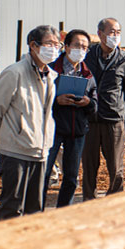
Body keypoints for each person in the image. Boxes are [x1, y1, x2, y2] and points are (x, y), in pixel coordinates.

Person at [0, 25, 59, 219]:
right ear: (33, 46)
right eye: (49, 43)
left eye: (56, 44)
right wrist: (3, 138)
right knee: (12, 207)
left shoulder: (50, 76)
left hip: (41, 151)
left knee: (35, 209)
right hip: (16, 151)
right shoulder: (15, 73)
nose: (53, 48)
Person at [43, 29, 97, 207]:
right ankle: (36, 211)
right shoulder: (51, 70)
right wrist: (56, 101)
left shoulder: (87, 74)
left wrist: (87, 102)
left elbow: (95, 104)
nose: (81, 50)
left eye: (85, 47)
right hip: (53, 129)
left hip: (77, 130)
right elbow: (39, 100)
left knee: (71, 177)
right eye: (77, 45)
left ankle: (63, 211)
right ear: (66, 47)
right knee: (43, 174)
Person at [82, 18, 125, 199]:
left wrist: (116, 105)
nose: (115, 36)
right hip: (90, 119)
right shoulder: (88, 57)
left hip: (113, 120)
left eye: (118, 32)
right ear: (100, 34)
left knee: (116, 168)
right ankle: (89, 200)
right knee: (89, 166)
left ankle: (114, 199)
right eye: (111, 32)